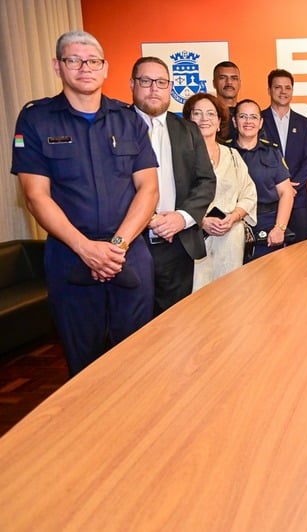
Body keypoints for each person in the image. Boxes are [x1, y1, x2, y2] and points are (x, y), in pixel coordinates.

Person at [11, 31, 159, 375]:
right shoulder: (36, 119)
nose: (85, 68)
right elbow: (35, 195)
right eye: (74, 60)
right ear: (58, 67)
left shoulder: (128, 119)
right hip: (70, 255)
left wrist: (116, 246)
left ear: (105, 68)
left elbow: (148, 189)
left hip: (128, 254)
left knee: (138, 358)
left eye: (93, 61)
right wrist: (86, 248)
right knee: (84, 364)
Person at [131, 56, 216, 314]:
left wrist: (182, 217)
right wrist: (149, 219)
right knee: (133, 325)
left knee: (176, 323)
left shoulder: (188, 130)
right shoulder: (116, 126)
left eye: (161, 82)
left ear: (170, 87)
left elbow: (206, 181)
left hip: (177, 245)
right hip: (131, 244)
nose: (154, 88)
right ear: (132, 84)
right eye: (146, 81)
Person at [183, 93, 257, 290]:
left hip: (231, 239)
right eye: (197, 113)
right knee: (196, 295)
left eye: (210, 114)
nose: (204, 119)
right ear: (188, 120)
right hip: (194, 238)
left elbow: (249, 194)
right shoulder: (180, 157)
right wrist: (201, 221)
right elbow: (172, 199)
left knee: (231, 294)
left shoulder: (232, 155)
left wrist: (234, 216)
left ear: (219, 122)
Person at [230, 99, 294, 260]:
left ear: (260, 123)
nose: (248, 121)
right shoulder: (224, 152)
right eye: (243, 116)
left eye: (253, 117)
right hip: (232, 225)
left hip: (268, 226)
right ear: (235, 121)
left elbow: (286, 193)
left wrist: (280, 228)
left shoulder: (272, 152)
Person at [260, 69, 307, 242]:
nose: (283, 91)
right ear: (269, 90)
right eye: (278, 87)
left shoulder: (305, 124)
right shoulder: (258, 120)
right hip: (268, 199)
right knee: (269, 253)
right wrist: (279, 187)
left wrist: (292, 187)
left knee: (301, 251)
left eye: (287, 87)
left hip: (298, 199)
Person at [212, 61, 241, 133]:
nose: (229, 82)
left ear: (240, 83)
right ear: (214, 83)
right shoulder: (206, 114)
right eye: (222, 78)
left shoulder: (248, 114)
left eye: (234, 78)